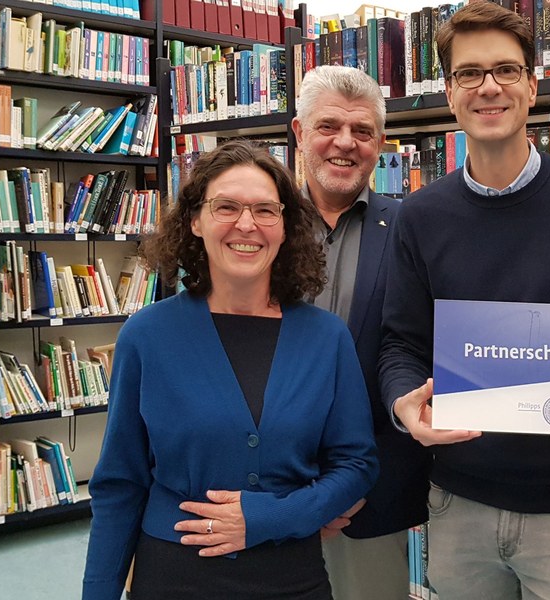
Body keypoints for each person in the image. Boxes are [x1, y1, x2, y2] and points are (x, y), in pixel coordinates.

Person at [379, 3, 550, 598]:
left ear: (532, 86)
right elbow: (401, 343)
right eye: (469, 73)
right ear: (450, 94)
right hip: (457, 507)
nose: (489, 87)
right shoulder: (420, 217)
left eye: (506, 70)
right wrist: (405, 402)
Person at [82, 140, 379, 600]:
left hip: (292, 575)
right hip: (175, 577)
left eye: (265, 210)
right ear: (195, 221)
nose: (247, 224)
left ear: (285, 228)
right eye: (227, 207)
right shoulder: (146, 336)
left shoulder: (326, 337)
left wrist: (275, 516)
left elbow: (356, 464)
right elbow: (120, 482)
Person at [291, 65, 431, 600]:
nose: (344, 144)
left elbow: (415, 355)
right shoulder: (256, 227)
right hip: (264, 486)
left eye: (363, 131)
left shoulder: (413, 228)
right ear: (300, 133)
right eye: (328, 127)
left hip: (370, 496)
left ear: (380, 143)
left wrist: (344, 484)